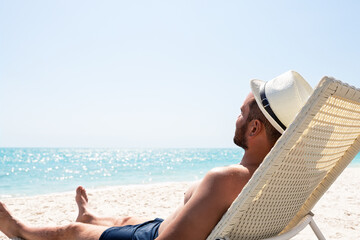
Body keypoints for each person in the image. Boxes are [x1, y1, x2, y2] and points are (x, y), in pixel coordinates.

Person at [0, 70, 313, 240]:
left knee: (71, 232)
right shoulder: (285, 180)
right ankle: (92, 216)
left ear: (255, 128)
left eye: (241, 113)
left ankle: (15, 227)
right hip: (171, 226)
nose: (236, 119)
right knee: (122, 220)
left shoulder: (226, 179)